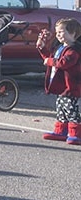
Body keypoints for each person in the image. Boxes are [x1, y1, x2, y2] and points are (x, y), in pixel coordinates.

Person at [37, 17, 81, 145]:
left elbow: (64, 63)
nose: (58, 35)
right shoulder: (60, 48)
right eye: (57, 32)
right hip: (62, 87)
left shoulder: (74, 50)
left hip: (71, 87)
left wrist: (50, 61)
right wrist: (42, 48)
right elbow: (50, 58)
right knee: (61, 108)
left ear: (72, 33)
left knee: (71, 109)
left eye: (61, 32)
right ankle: (61, 130)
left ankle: (76, 133)